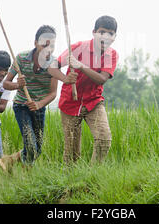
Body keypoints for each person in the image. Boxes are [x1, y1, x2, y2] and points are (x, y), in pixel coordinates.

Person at [48, 15, 119, 164]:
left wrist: (80, 65)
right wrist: (65, 79)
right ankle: (69, 184)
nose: (105, 36)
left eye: (110, 33)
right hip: (70, 102)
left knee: (104, 139)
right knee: (72, 153)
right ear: (94, 32)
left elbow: (102, 79)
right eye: (102, 32)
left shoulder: (112, 55)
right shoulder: (78, 47)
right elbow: (52, 67)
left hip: (94, 102)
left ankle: (92, 176)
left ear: (114, 37)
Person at [0, 25, 62, 170]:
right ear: (35, 43)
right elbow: (6, 84)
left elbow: (53, 93)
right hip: (22, 105)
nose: (48, 49)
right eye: (44, 44)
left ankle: (8, 160)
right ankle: (26, 176)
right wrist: (17, 85)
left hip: (39, 107)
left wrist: (39, 104)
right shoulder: (21, 58)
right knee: (31, 145)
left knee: (37, 148)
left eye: (51, 45)